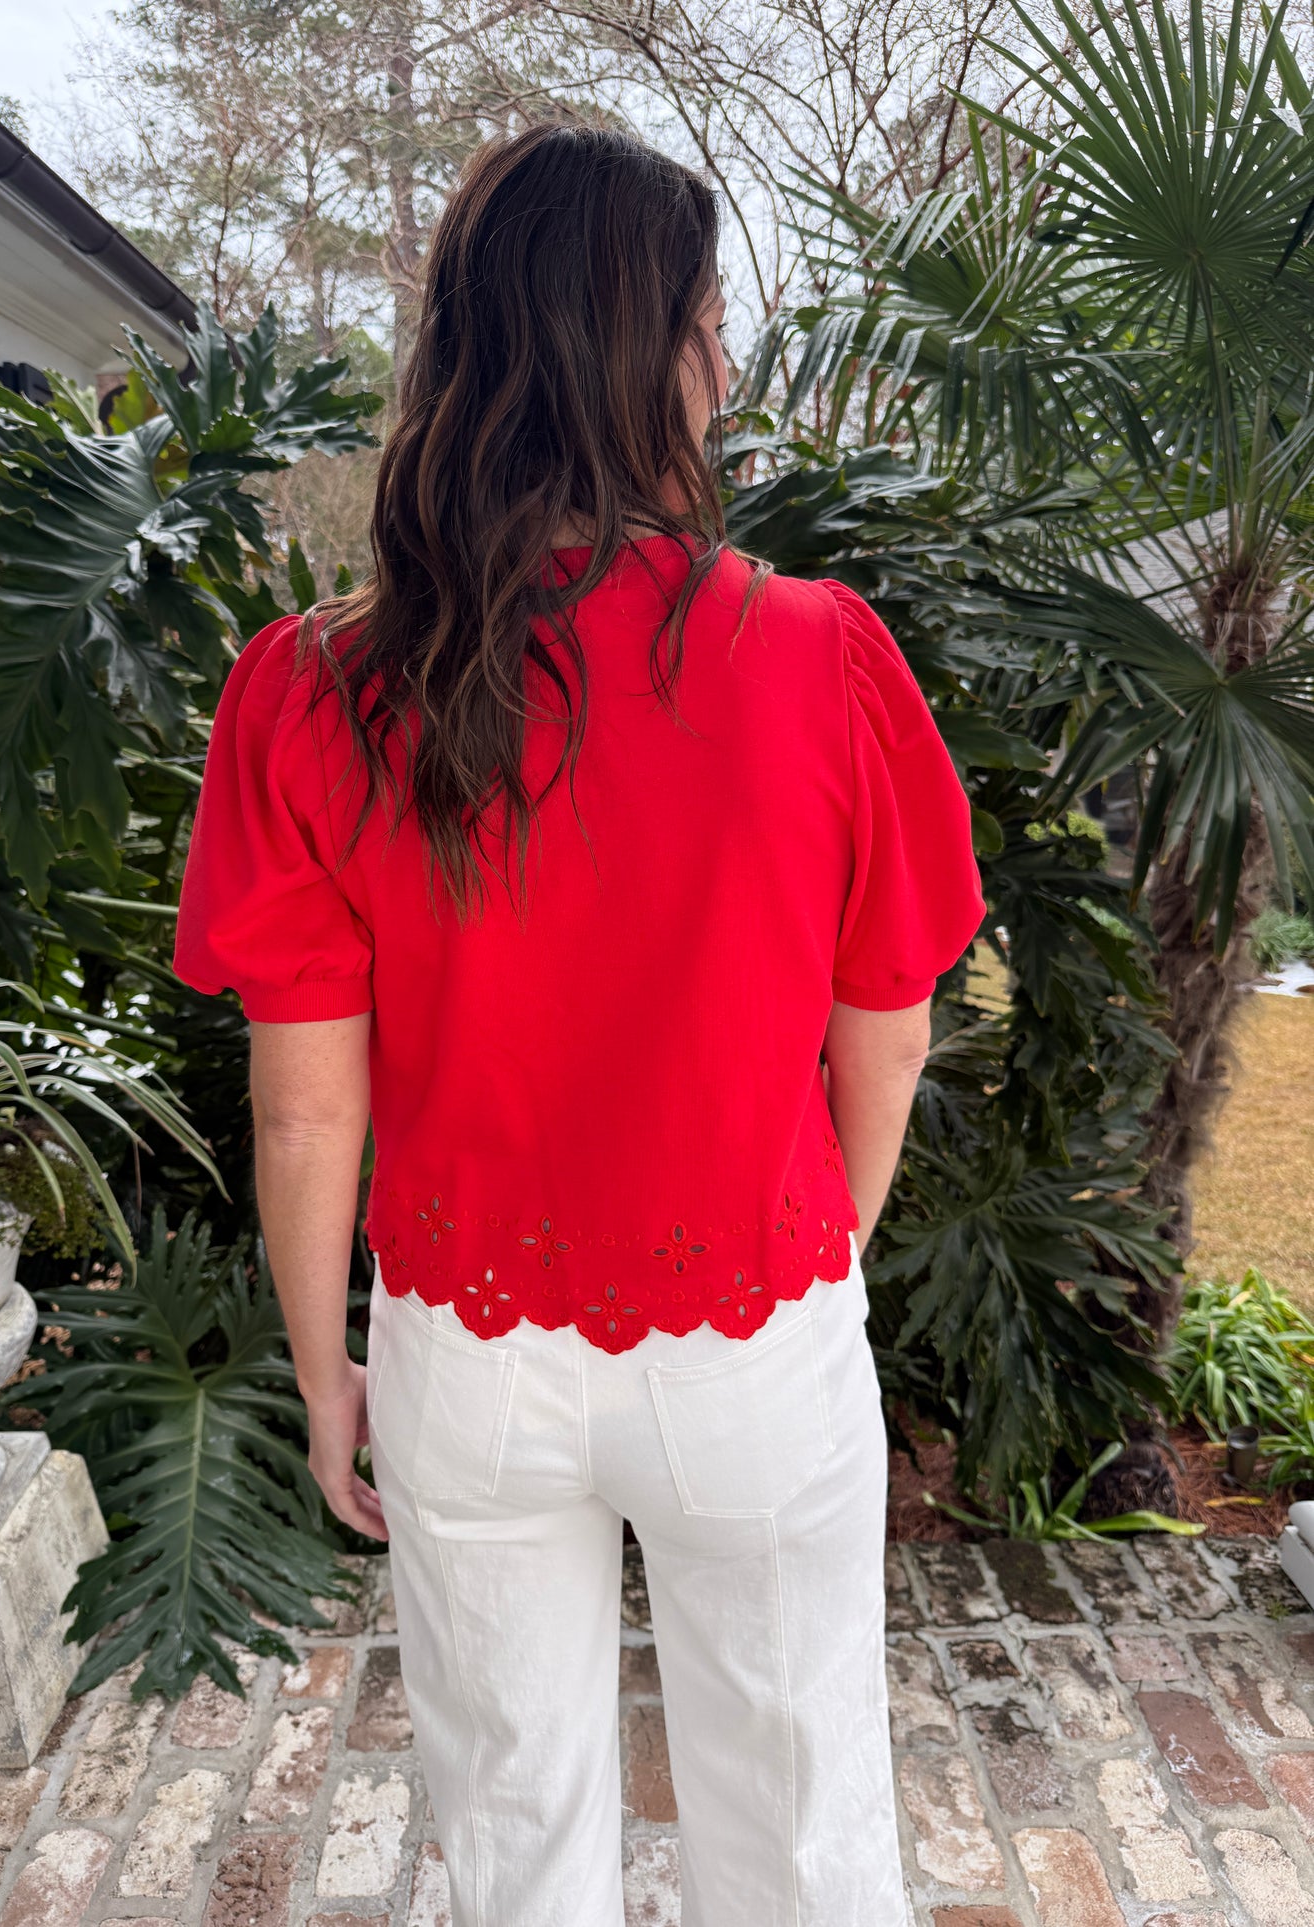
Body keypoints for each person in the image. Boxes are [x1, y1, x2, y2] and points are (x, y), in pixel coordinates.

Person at [174, 121, 984, 1927]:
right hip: (755, 1337)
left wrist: (327, 1378)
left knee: (510, 1827)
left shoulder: (312, 693)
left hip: (470, 1352)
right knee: (799, 1835)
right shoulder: (815, 656)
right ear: (658, 356)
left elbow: (310, 1114)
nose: (724, 364)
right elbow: (890, 1028)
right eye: (710, 323)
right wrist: (811, 1259)